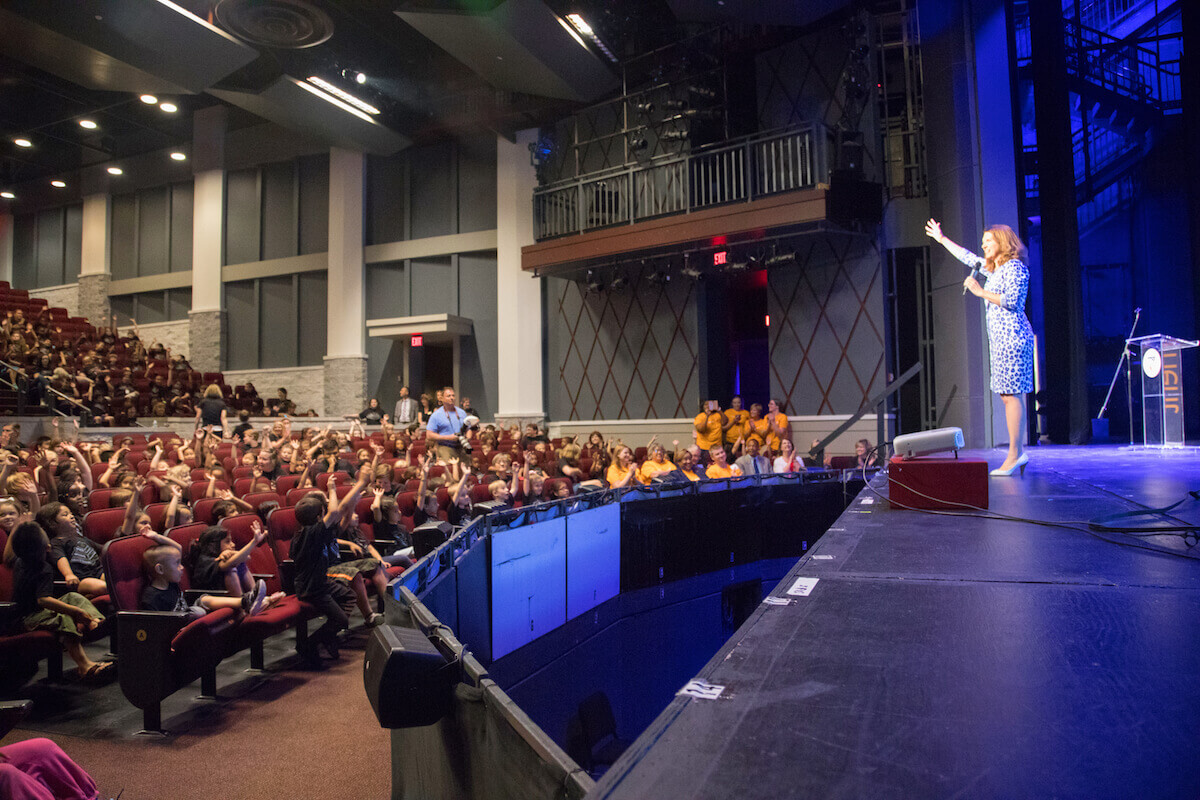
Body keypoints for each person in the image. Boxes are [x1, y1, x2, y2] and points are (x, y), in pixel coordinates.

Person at [926, 218, 1033, 476]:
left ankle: (1015, 455)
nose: (984, 246)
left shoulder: (1015, 268)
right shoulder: (994, 270)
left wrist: (979, 291)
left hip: (1014, 338)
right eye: (983, 242)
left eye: (989, 242)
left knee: (1011, 395)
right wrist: (941, 238)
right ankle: (1017, 453)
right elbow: (967, 256)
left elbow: (1013, 302)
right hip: (1001, 341)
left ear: (1003, 242)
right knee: (1007, 396)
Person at [7, 521, 113, 682]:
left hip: (32, 612)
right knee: (63, 617)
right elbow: (43, 600)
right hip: (26, 618)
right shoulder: (44, 569)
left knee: (73, 597)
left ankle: (94, 621)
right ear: (47, 548)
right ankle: (84, 666)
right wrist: (75, 612)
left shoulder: (20, 561)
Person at [291, 467, 371, 663]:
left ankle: (329, 636)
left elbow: (341, 512)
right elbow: (336, 511)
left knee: (349, 595)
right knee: (341, 620)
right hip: (312, 588)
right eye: (323, 510)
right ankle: (309, 644)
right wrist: (332, 488)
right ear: (319, 517)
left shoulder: (315, 532)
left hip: (322, 582)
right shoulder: (309, 534)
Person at [425, 386, 468, 462]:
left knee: (466, 470)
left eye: (453, 395)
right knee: (450, 470)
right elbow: (429, 435)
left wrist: (468, 437)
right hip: (445, 447)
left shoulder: (462, 412)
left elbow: (468, 429)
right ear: (442, 398)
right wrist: (448, 437)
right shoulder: (436, 415)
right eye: (448, 396)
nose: (452, 398)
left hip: (462, 446)